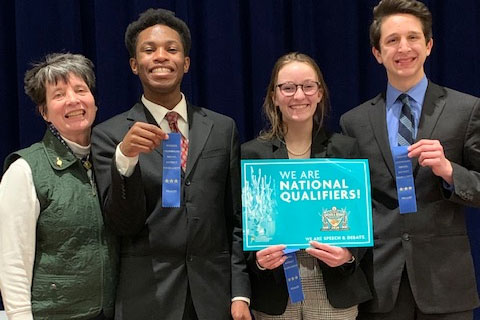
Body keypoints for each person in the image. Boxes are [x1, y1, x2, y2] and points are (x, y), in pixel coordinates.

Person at [91, 8, 251, 320]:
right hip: (147, 296)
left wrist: (240, 292)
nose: (161, 57)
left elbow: (236, 218)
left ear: (186, 63)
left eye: (172, 49)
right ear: (135, 65)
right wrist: (125, 159)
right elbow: (121, 224)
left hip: (214, 296)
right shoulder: (110, 136)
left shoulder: (222, 128)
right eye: (149, 50)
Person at [340, 0, 480, 319]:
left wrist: (449, 171)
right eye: (392, 40)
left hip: (446, 283)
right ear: (377, 53)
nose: (404, 47)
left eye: (413, 38)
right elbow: (352, 202)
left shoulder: (466, 110)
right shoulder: (355, 122)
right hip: (381, 286)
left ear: (429, 46)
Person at [241, 52, 372, 319]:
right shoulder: (253, 155)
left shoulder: (345, 151)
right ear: (274, 97)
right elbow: (237, 225)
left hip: (334, 289)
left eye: (307, 86)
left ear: (320, 93)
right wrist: (258, 261)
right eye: (288, 88)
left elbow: (363, 218)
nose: (299, 96)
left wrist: (348, 255)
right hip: (275, 292)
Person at [0, 53, 117, 319]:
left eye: (80, 90)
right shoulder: (25, 169)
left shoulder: (111, 159)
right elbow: (12, 261)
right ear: (44, 112)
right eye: (59, 95)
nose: (73, 100)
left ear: (94, 102)